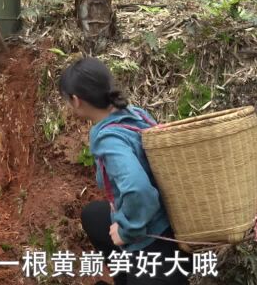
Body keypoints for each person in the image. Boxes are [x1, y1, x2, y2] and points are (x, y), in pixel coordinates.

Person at [59, 57, 191, 285]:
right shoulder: (136, 114)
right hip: (173, 221)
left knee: (115, 227)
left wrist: (126, 231)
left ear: (76, 100)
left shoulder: (110, 139)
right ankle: (124, 275)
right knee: (94, 216)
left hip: (156, 246)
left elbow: (139, 189)